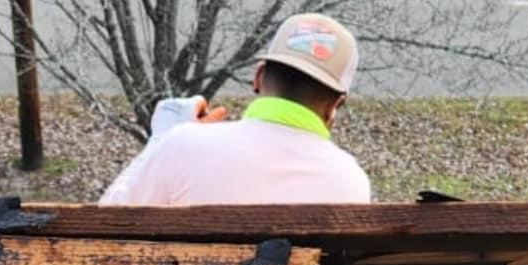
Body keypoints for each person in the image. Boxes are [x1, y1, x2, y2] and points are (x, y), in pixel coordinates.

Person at [99, 13, 371, 206]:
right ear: (336, 105)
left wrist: (160, 142)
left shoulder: (183, 145)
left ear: (258, 76)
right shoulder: (350, 180)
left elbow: (107, 226)